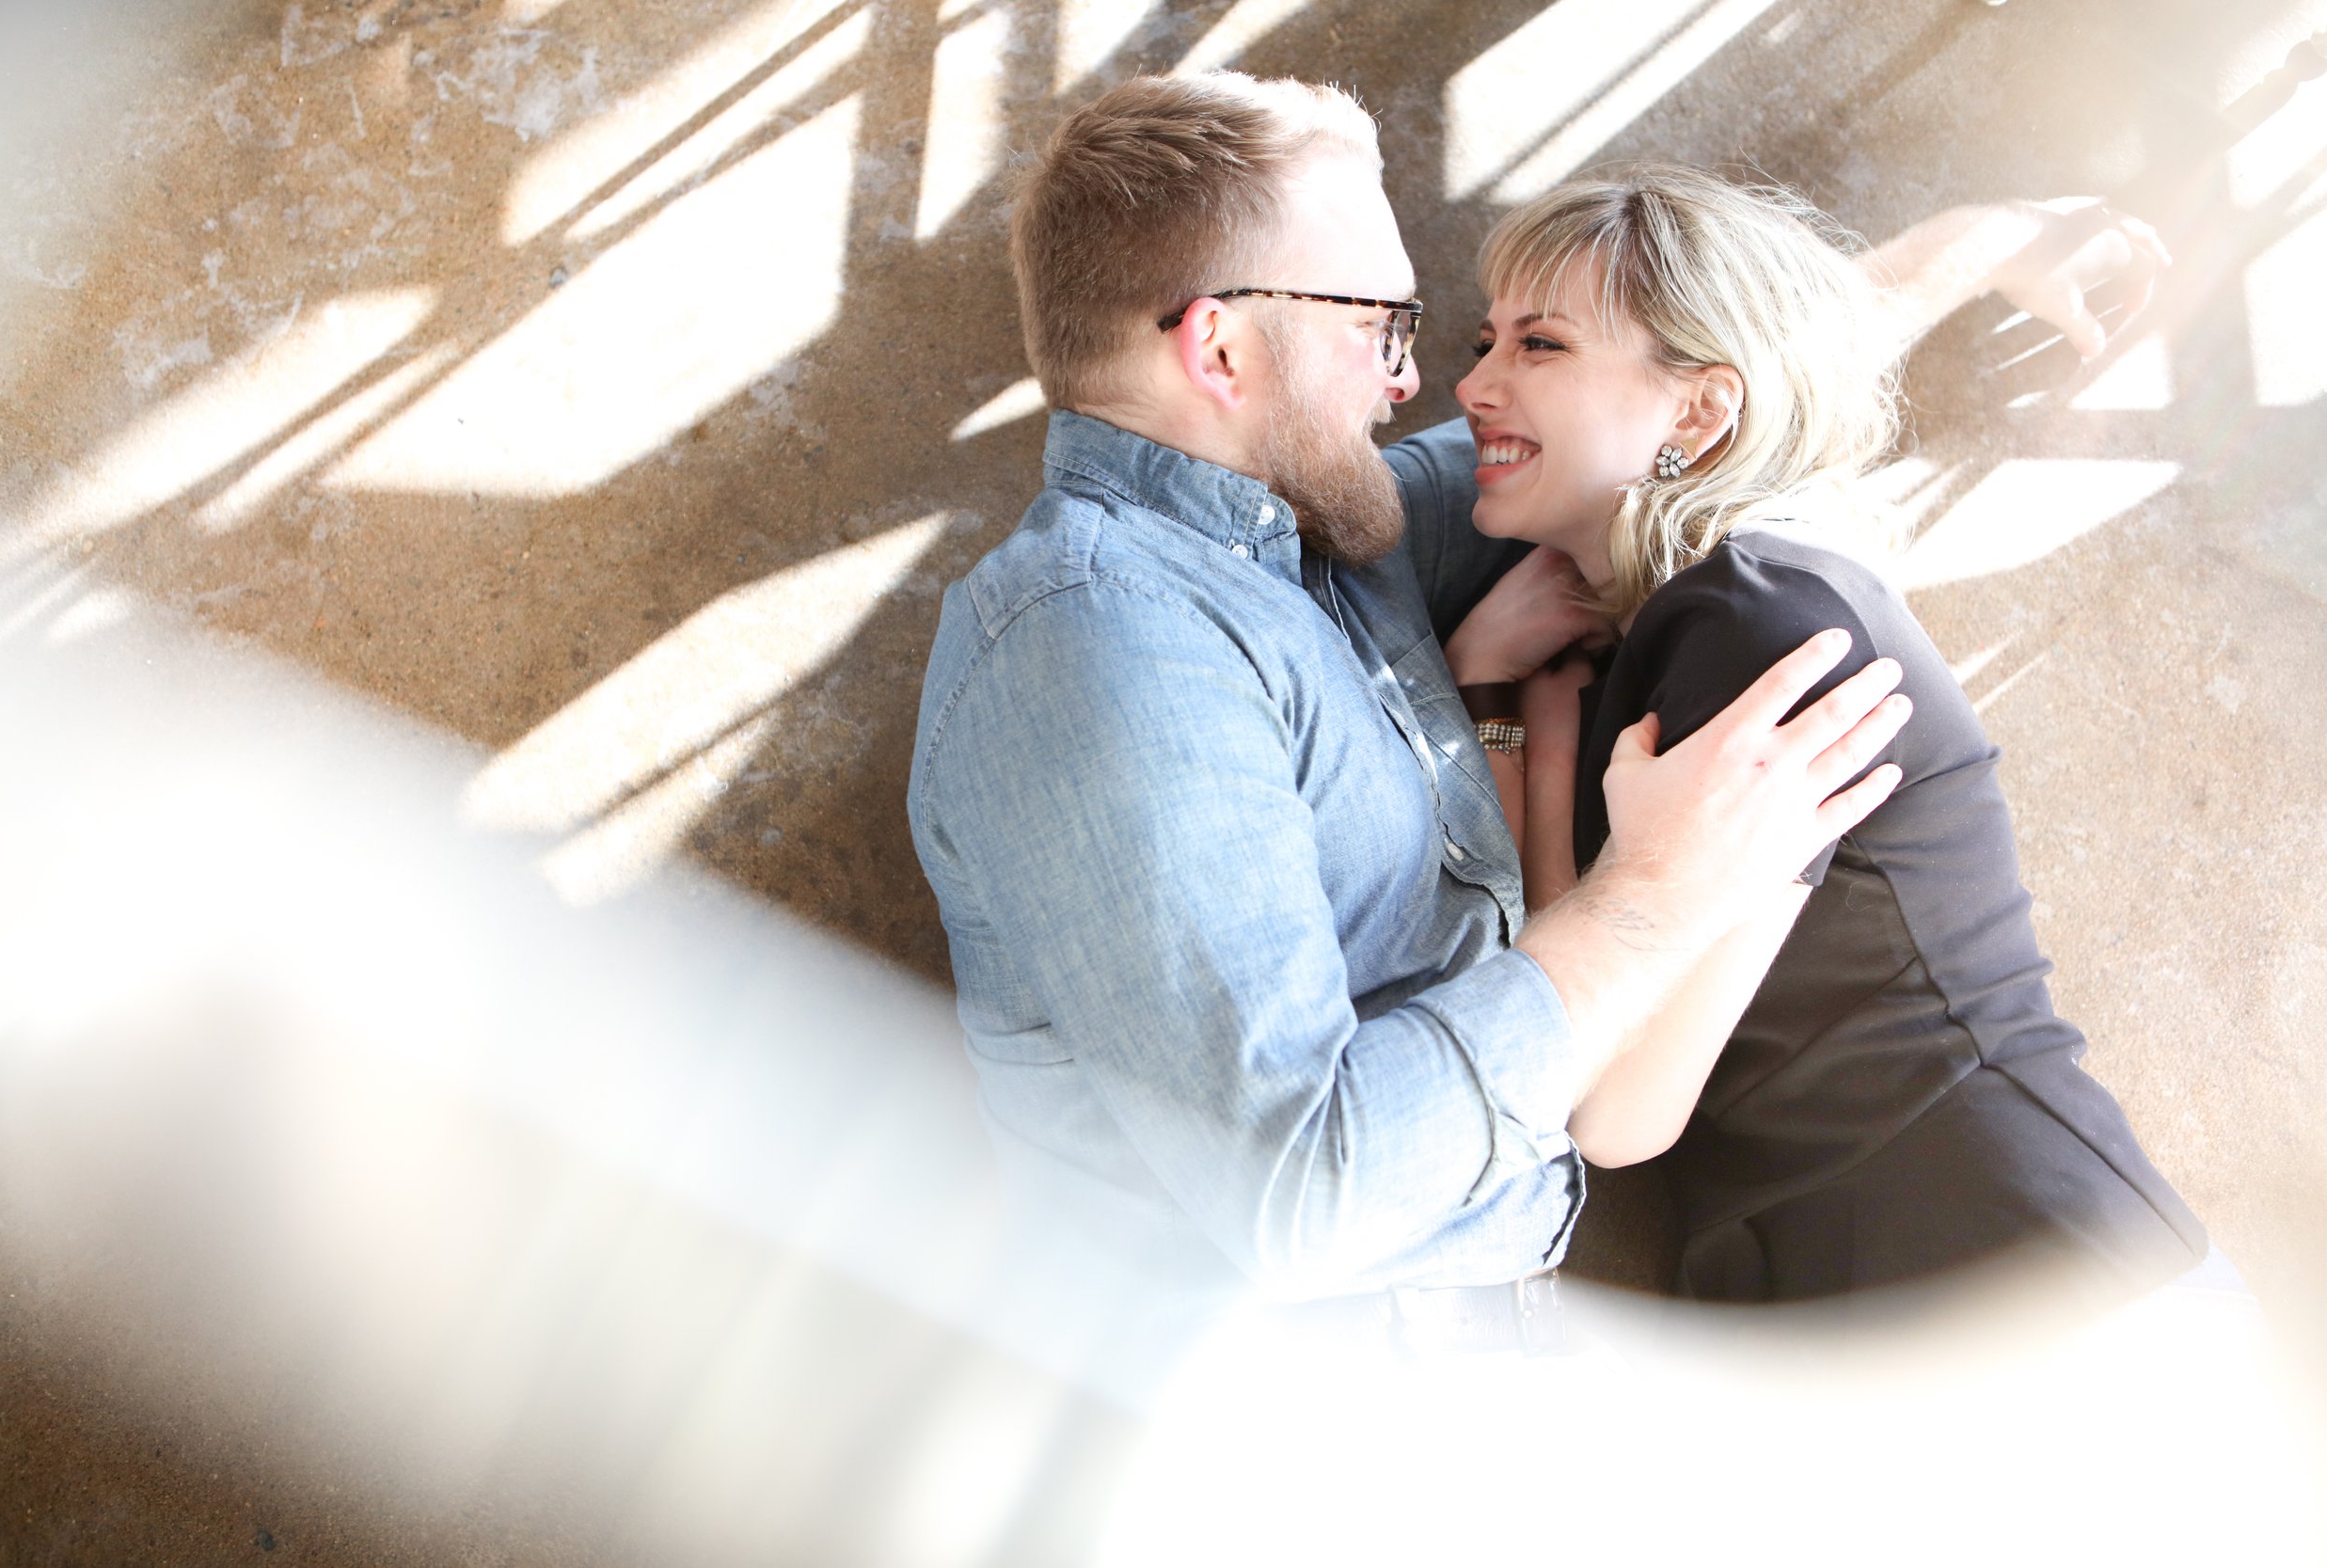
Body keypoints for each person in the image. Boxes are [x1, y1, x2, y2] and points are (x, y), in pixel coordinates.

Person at [906, 71, 2158, 1349]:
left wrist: (1974, 246)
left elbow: (1668, 407)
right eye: (1381, 324)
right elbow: (1305, 1190)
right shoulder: (1098, 633)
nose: (1417, 381)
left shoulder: (1338, 542)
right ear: (1218, 347)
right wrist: (1653, 897)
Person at [1441, 165, 2208, 1303]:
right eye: (1484, 339)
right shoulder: (1672, 626)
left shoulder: (1764, 627)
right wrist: (1501, 701)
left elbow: (1606, 1102)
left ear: (1699, 411)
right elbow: (1590, 971)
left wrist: (1509, 718)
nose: (1470, 385)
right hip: (1869, 1285)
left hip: (2025, 1278)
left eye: (1537, 345)